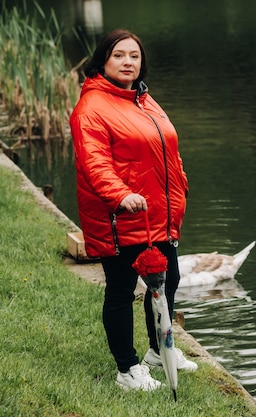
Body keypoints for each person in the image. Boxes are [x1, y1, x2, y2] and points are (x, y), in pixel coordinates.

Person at [70, 29, 197, 391]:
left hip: (158, 214)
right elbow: (95, 163)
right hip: (121, 216)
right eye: (119, 55)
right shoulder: (91, 107)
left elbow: (167, 148)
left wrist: (181, 182)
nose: (128, 62)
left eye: (134, 56)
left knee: (168, 281)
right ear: (103, 61)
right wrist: (119, 194)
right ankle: (127, 370)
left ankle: (159, 351)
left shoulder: (143, 99)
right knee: (122, 290)